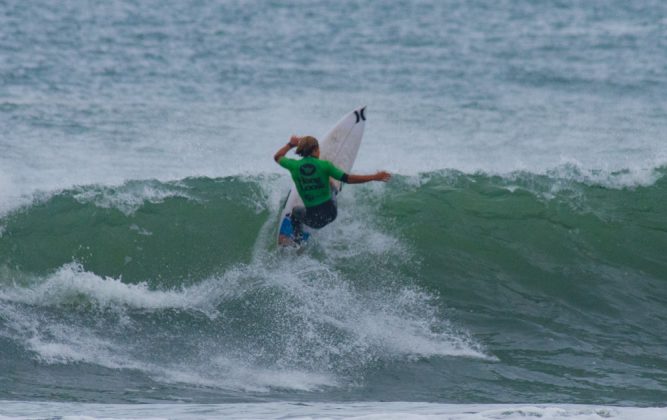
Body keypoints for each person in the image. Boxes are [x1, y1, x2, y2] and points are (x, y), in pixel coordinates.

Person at [274, 135, 391, 242]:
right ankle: (334, 189)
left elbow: (277, 157)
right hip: (331, 214)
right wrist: (374, 177)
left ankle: (297, 240)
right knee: (332, 186)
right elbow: (348, 179)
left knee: (295, 212)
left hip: (313, 220)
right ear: (315, 150)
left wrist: (290, 144)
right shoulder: (325, 165)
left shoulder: (293, 166)